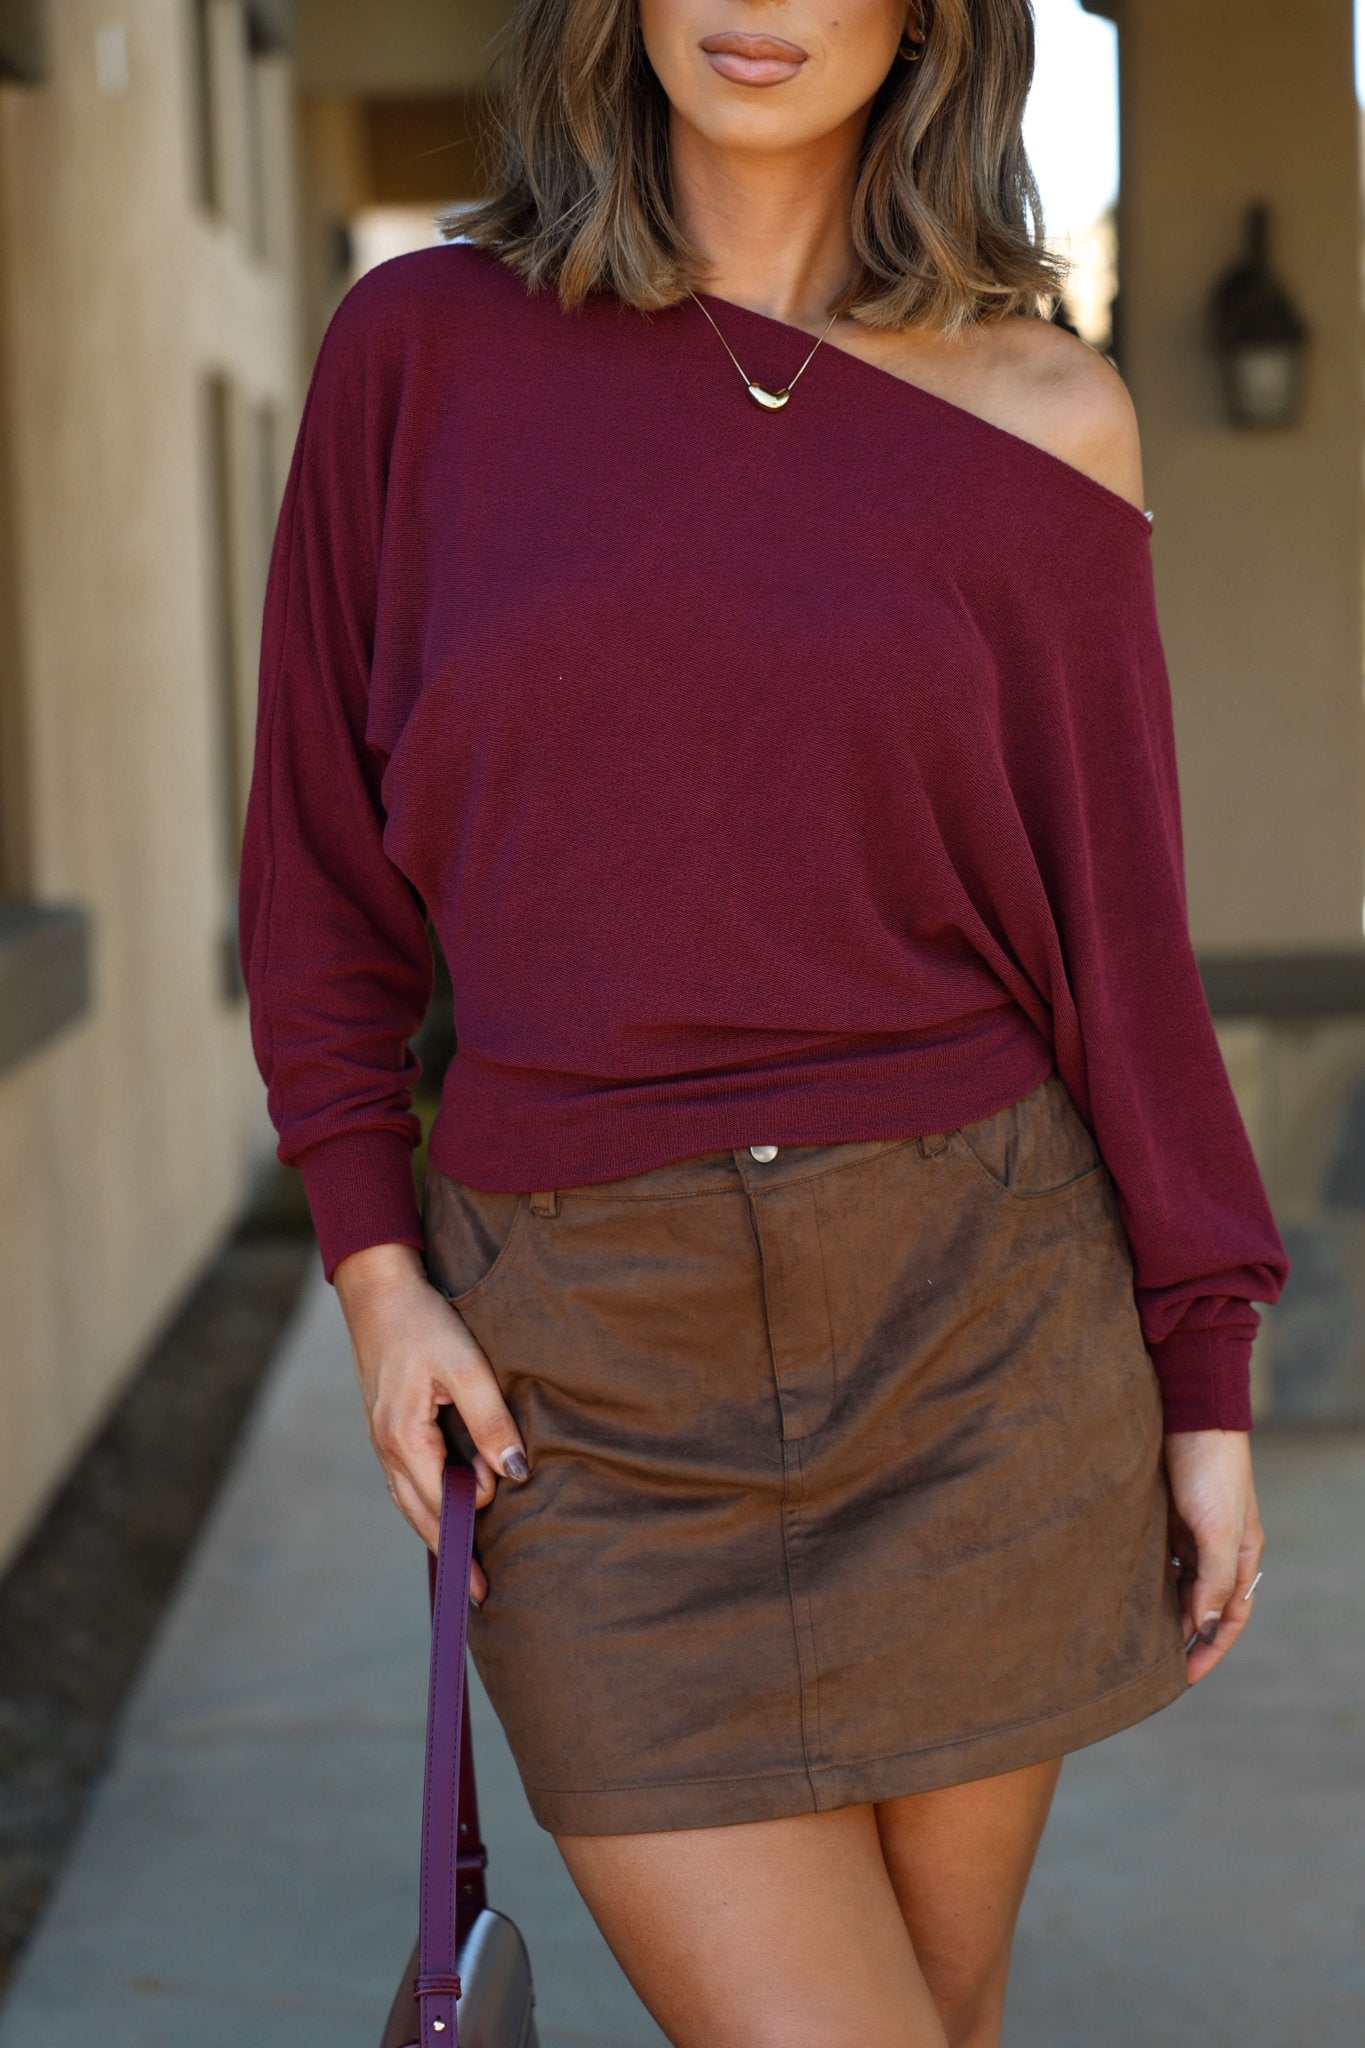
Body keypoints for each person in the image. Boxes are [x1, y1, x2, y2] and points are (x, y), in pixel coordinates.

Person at [237, 4, 1290, 2043]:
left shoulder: (1044, 413)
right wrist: (380, 1278)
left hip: (975, 1330)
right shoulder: (421, 357)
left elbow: (1114, 934)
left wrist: (1202, 1363)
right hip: (592, 1385)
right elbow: (317, 880)